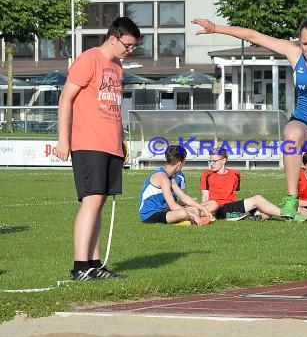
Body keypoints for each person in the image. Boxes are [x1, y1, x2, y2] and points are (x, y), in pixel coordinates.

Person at [193, 0, 307, 218]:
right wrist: (216, 28)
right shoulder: (294, 54)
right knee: (291, 131)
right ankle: (290, 197)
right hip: (305, 123)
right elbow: (254, 36)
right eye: (305, 43)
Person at [55, 17, 141, 281]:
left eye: (133, 47)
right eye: (127, 45)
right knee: (90, 201)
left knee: (99, 202)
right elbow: (65, 99)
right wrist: (63, 139)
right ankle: (80, 267)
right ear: (113, 38)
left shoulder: (117, 67)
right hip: (88, 143)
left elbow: (113, 108)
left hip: (110, 144)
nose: (129, 51)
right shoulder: (89, 59)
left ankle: (94, 263)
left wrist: (120, 141)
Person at [200, 148, 307, 222]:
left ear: (224, 160)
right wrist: (208, 212)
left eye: (214, 161)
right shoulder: (206, 175)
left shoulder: (235, 174)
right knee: (258, 199)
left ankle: (247, 216)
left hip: (231, 207)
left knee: (267, 212)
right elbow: (205, 198)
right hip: (219, 209)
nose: (211, 164)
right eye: (210, 161)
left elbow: (233, 194)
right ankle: (289, 215)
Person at [138, 145, 217, 225]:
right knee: (184, 213)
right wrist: (194, 216)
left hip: (163, 210)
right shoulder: (163, 177)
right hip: (150, 215)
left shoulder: (170, 177)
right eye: (184, 161)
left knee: (196, 210)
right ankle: (184, 221)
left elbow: (184, 197)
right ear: (179, 163)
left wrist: (204, 209)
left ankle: (186, 220)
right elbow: (172, 205)